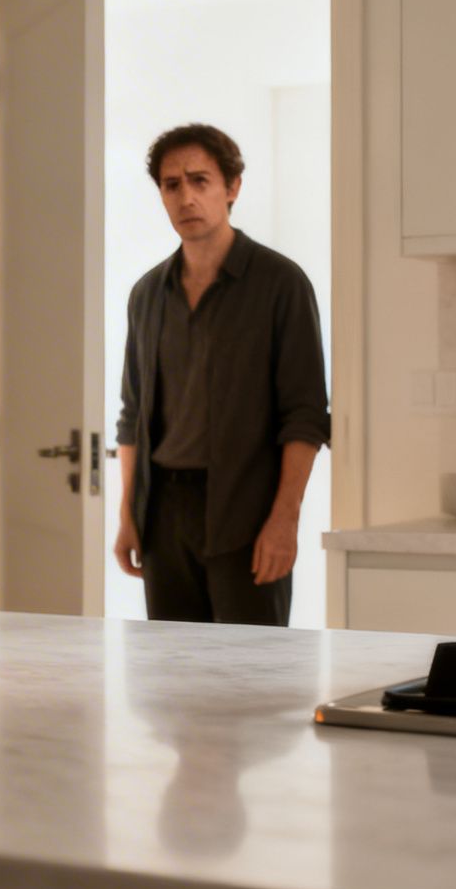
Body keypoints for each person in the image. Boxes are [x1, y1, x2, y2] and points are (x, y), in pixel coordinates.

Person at [111, 124, 328, 626]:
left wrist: (284, 520)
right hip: (163, 512)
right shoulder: (147, 294)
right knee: (172, 664)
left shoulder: (280, 283)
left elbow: (305, 416)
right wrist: (129, 515)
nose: (186, 197)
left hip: (247, 510)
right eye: (172, 185)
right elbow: (132, 415)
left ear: (232, 187)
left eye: (200, 180)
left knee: (249, 665)